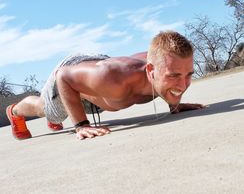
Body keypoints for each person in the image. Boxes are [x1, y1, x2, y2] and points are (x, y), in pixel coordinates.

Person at [6, 30, 204, 140]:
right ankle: (14, 111)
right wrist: (81, 125)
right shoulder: (112, 79)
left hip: (101, 76)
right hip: (72, 72)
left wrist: (175, 102)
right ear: (151, 70)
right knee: (51, 111)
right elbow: (64, 76)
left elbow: (173, 70)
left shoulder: (164, 67)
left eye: (189, 75)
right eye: (174, 76)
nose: (184, 84)